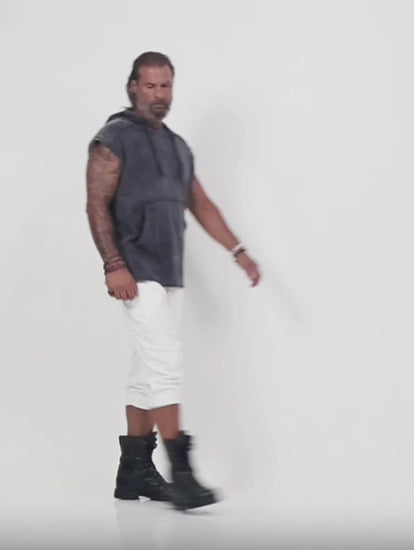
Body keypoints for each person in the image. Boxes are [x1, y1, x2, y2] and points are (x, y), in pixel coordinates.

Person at [85, 51, 261, 510]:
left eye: (166, 86)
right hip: (134, 268)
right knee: (165, 366)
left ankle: (133, 473)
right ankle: (183, 474)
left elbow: (200, 204)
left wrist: (238, 251)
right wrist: (113, 263)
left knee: (145, 373)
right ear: (132, 87)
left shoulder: (178, 147)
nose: (159, 95)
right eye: (150, 86)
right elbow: (96, 203)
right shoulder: (113, 138)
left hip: (170, 271)